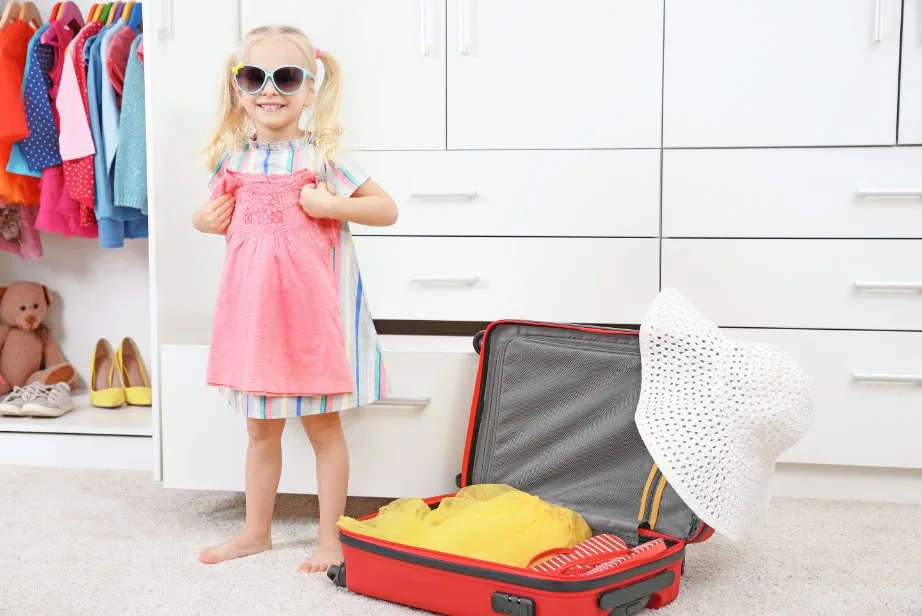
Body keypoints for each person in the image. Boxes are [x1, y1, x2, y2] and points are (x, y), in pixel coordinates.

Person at [192, 24, 398, 573]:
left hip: (312, 323)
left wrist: (332, 206)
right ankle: (256, 531)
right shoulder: (230, 160)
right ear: (238, 88)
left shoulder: (324, 158)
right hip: (255, 322)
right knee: (259, 430)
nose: (270, 90)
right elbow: (209, 212)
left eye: (286, 77)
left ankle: (331, 539)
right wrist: (201, 220)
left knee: (323, 429)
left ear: (309, 90)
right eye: (254, 76)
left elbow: (386, 209)